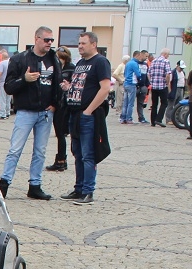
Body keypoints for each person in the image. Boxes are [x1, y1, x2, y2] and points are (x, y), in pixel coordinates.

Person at [0, 28, 62, 200]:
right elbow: (8, 87)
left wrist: (55, 104)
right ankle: (4, 184)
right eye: (46, 40)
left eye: (51, 40)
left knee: (40, 151)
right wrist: (24, 80)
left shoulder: (54, 59)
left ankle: (35, 185)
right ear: (37, 39)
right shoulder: (20, 59)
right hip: (26, 111)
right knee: (15, 149)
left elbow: (57, 83)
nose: (49, 43)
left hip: (45, 113)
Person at [63, 31, 111, 205]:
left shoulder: (100, 62)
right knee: (77, 153)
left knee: (88, 154)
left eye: (83, 43)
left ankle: (88, 191)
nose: (80, 46)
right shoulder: (81, 63)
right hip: (75, 114)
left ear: (94, 44)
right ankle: (79, 188)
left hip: (88, 115)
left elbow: (105, 88)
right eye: (79, 43)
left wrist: (89, 111)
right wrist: (69, 88)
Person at [46, 46, 74, 172]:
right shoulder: (56, 68)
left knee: (61, 133)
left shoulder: (71, 68)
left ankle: (61, 160)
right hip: (57, 104)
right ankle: (61, 159)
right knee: (59, 133)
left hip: (66, 105)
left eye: (62, 57)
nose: (60, 60)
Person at [148, 48, 171, 127]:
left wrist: (151, 82)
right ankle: (159, 119)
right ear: (165, 54)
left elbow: (148, 73)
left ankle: (153, 121)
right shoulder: (166, 61)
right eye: (168, 55)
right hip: (162, 86)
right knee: (164, 103)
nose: (168, 56)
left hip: (154, 86)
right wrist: (167, 83)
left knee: (154, 104)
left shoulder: (153, 61)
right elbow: (168, 74)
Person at [121, 51, 140, 123]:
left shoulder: (128, 63)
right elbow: (138, 74)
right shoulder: (135, 63)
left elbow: (125, 73)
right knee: (130, 103)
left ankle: (123, 118)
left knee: (125, 102)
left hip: (126, 83)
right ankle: (129, 118)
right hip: (131, 84)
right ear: (137, 55)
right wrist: (140, 79)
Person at [0, 47, 11, 119]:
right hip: (10, 83)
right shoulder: (11, 62)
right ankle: (8, 113)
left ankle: (2, 114)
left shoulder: (2, 63)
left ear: (2, 56)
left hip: (2, 83)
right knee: (8, 99)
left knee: (2, 99)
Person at [135, 51, 150, 123]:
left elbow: (147, 75)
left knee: (141, 103)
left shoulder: (145, 64)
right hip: (136, 86)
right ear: (141, 55)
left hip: (143, 86)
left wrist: (147, 85)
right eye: (146, 56)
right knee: (130, 102)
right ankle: (127, 117)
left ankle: (141, 117)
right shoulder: (135, 63)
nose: (147, 58)